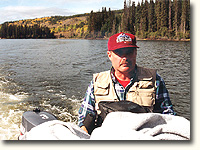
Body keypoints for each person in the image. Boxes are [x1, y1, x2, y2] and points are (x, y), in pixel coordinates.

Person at [78, 32, 175, 134]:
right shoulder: (96, 82)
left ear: (135, 53)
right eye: (119, 52)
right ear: (109, 55)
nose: (125, 57)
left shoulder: (154, 80)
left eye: (129, 52)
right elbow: (84, 117)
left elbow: (168, 116)